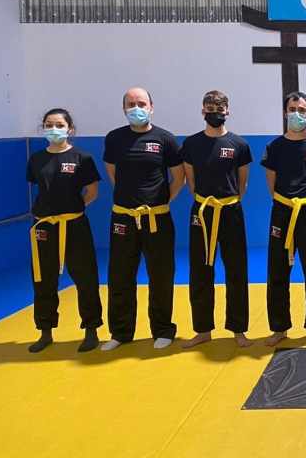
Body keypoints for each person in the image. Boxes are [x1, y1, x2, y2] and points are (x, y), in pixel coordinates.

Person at [101, 87, 184, 351]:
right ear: (124, 108)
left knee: (161, 275)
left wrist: (161, 202)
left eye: (141, 103)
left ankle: (163, 329)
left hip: (157, 218)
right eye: (131, 104)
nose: (136, 108)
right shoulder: (114, 138)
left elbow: (179, 177)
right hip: (123, 218)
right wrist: (128, 199)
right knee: (120, 276)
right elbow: (112, 172)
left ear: (151, 107)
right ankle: (120, 332)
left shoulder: (165, 139)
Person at [26, 108, 102, 353]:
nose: (53, 129)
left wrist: (72, 210)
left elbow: (92, 192)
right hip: (44, 226)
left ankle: (91, 330)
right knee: (43, 279)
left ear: (70, 129)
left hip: (74, 225)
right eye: (49, 124)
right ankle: (45, 331)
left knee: (85, 277)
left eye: (59, 124)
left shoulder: (82, 158)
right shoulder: (36, 159)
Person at [262, 91, 306, 346]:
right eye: (292, 109)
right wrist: (286, 202)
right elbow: (271, 184)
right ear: (285, 112)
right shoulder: (274, 147)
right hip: (282, 212)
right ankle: (279, 327)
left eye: (301, 110)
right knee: (277, 270)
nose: (297, 114)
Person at [181, 91, 253, 349]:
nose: (215, 112)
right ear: (203, 111)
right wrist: (206, 202)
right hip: (202, 212)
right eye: (210, 108)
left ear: (227, 111)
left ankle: (238, 329)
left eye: (220, 108)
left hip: (231, 211)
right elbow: (190, 181)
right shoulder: (191, 144)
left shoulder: (239, 145)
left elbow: (242, 183)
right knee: (200, 270)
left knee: (236, 270)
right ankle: (203, 330)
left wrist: (228, 201)